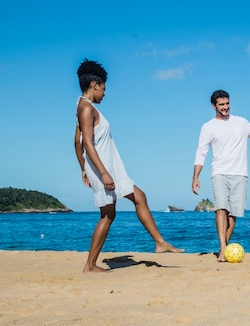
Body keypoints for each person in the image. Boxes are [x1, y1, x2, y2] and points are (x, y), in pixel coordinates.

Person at [74, 59, 182, 273]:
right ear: (95, 84)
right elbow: (85, 142)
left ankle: (159, 242)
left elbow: (76, 143)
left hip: (104, 168)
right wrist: (102, 173)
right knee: (111, 213)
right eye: (103, 88)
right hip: (105, 169)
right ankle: (91, 265)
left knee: (130, 202)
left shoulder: (83, 106)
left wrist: (84, 169)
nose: (104, 93)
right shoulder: (86, 108)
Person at [192, 89, 250, 261]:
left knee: (233, 214)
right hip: (219, 172)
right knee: (221, 208)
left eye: (227, 103)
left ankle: (224, 247)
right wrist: (195, 177)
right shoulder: (208, 127)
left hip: (240, 173)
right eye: (221, 104)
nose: (225, 107)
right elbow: (201, 152)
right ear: (213, 106)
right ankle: (223, 249)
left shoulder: (241, 122)